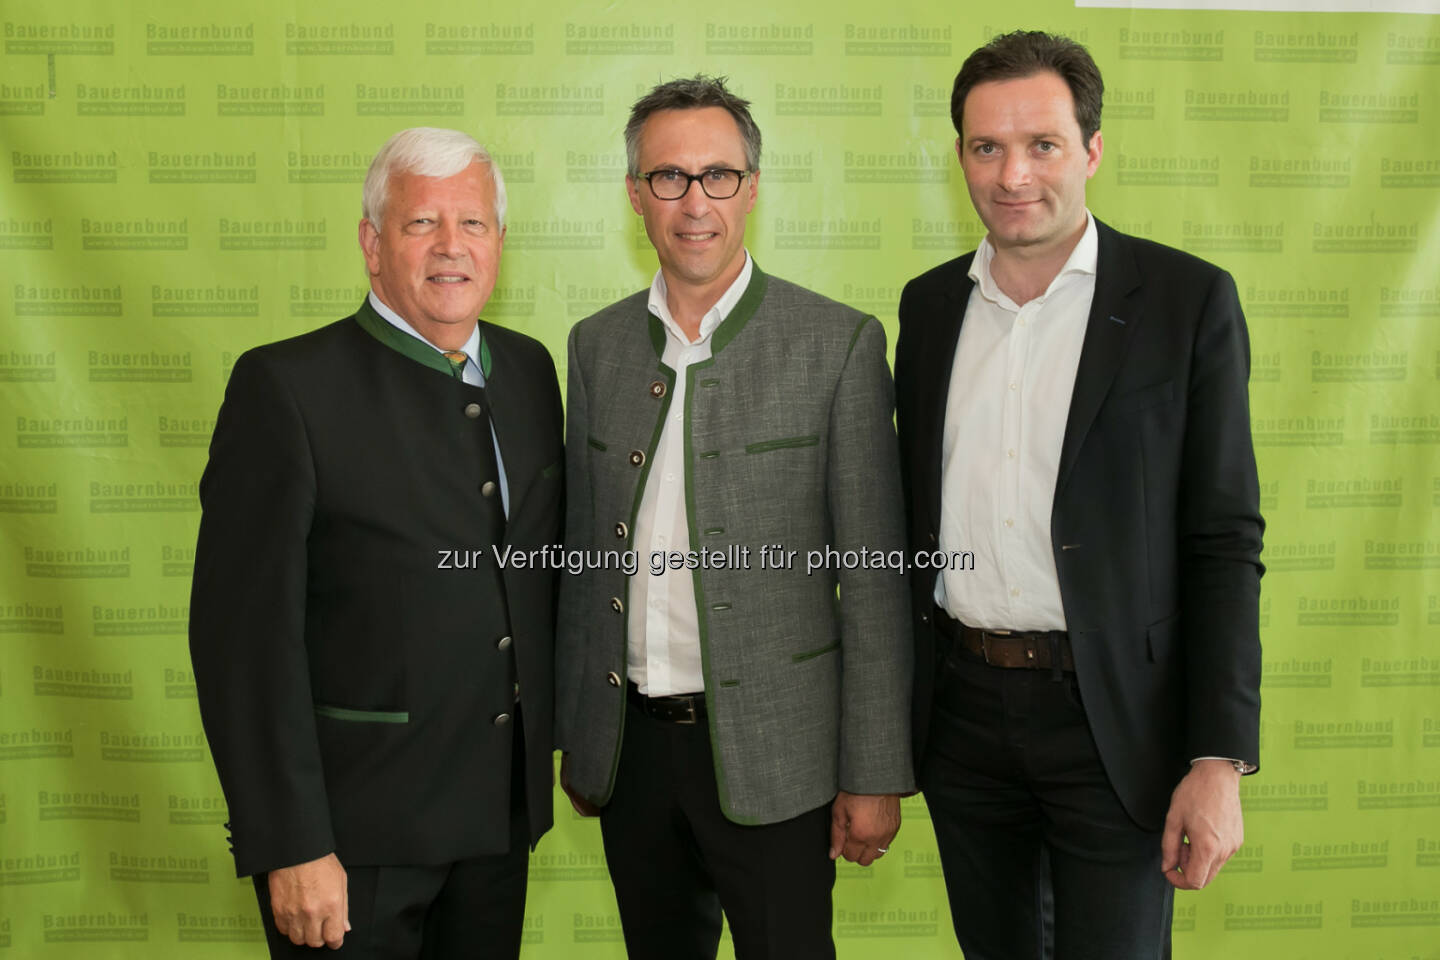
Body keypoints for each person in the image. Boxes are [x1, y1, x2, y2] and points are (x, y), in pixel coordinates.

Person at [895, 31, 1264, 959]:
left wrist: (1218, 760)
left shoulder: (1186, 301)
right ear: (960, 158)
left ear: (1092, 150)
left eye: (1043, 145)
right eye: (987, 147)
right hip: (962, 718)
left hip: (1116, 724)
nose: (1013, 174)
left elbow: (1222, 539)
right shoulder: (928, 307)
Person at [555, 75, 913, 960]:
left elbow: (873, 584)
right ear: (636, 195)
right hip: (631, 755)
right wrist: (579, 737)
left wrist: (873, 772)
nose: (694, 202)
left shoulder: (837, 344)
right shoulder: (594, 348)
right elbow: (580, 559)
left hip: (780, 759)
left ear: (752, 187)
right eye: (668, 177)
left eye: (718, 175)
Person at [188, 127, 563, 958]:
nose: (450, 247)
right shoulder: (285, 388)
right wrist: (289, 842)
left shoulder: (532, 373)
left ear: (499, 242)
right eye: (420, 223)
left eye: (472, 224)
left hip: (498, 827)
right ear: (371, 245)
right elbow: (241, 643)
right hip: (351, 842)